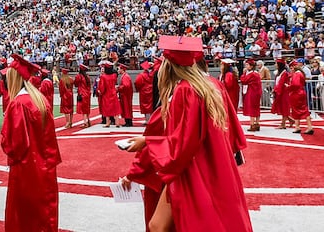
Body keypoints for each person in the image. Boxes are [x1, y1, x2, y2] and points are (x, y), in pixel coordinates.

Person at [120, 35, 252, 231]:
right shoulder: (212, 86)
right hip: (214, 163)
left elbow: (182, 143)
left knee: (159, 225)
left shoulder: (185, 91)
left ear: (169, 64)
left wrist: (147, 142)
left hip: (192, 168)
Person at [0, 54, 62, 232]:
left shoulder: (19, 103)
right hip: (45, 166)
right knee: (43, 215)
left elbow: (14, 145)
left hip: (26, 169)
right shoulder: (40, 99)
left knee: (25, 218)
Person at [288, 59, 314, 135]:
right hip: (301, 92)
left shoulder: (296, 74)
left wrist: (288, 87)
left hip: (296, 93)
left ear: (293, 67)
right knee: (304, 109)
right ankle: (309, 127)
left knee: (296, 110)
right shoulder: (301, 73)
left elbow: (295, 85)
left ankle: (298, 127)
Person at [240, 59, 263, 131]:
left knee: (252, 108)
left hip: (252, 92)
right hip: (255, 92)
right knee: (256, 108)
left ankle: (252, 124)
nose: (246, 66)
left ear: (251, 66)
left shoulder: (252, 74)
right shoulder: (255, 73)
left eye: (247, 65)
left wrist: (243, 74)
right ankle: (257, 123)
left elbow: (244, 80)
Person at [97, 61, 121, 127]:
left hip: (106, 94)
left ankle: (108, 122)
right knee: (115, 108)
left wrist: (100, 92)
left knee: (107, 108)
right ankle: (117, 122)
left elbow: (102, 87)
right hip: (113, 93)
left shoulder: (103, 77)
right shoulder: (114, 75)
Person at [271, 59, 291, 129]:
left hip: (283, 92)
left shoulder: (285, 73)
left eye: (276, 64)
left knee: (284, 107)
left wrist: (275, 90)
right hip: (279, 91)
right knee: (281, 107)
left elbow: (281, 83)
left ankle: (283, 124)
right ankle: (291, 120)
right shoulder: (279, 73)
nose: (275, 65)